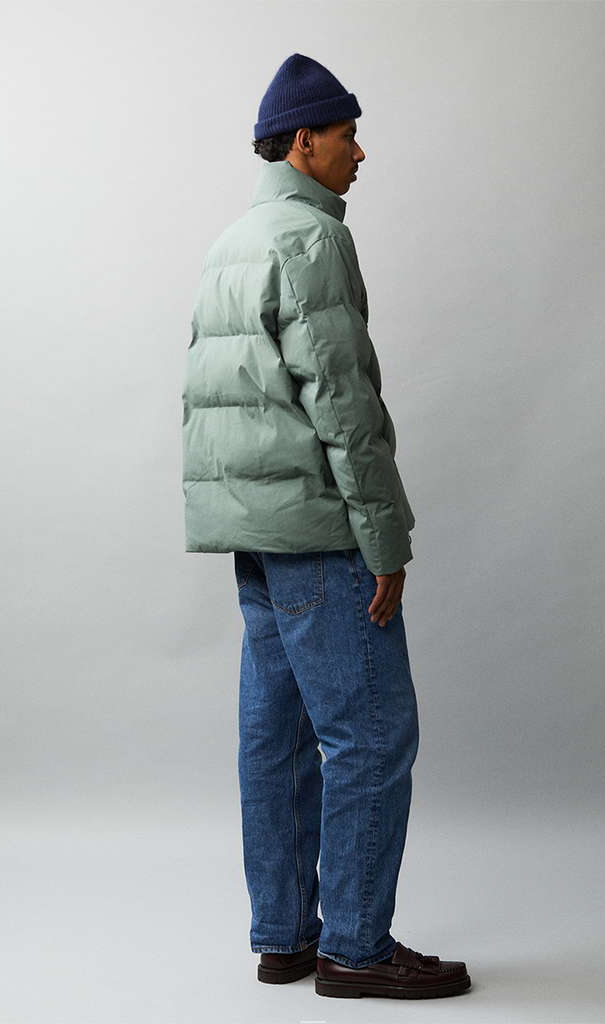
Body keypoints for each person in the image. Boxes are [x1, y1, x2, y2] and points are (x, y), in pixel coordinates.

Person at [182, 53, 471, 1001]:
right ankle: (354, 946)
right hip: (318, 534)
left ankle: (286, 937)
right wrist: (383, 542)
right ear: (303, 142)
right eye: (347, 134)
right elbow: (342, 406)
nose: (360, 152)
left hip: (258, 542)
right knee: (370, 738)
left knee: (277, 741)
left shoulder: (233, 239)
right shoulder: (310, 238)